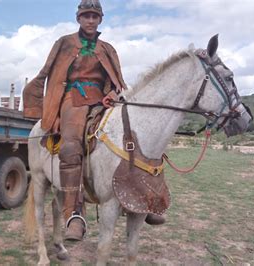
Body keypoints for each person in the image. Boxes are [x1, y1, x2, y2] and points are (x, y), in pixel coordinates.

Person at [23, 0, 164, 242]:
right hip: (72, 99)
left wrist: (112, 93)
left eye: (94, 16)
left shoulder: (107, 48)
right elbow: (49, 73)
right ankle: (74, 214)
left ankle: (144, 200)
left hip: (103, 100)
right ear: (78, 18)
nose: (90, 20)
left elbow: (116, 80)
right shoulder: (64, 43)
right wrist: (45, 108)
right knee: (70, 146)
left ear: (100, 19)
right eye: (86, 15)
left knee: (138, 136)